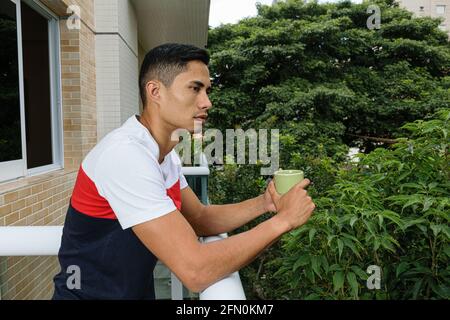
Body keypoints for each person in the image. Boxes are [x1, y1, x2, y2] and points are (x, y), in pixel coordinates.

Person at [52, 43, 316, 300]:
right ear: (155, 91)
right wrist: (284, 221)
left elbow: (200, 218)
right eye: (195, 89)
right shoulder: (125, 155)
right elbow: (195, 270)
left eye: (208, 90)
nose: (207, 102)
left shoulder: (163, 153)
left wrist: (265, 203)